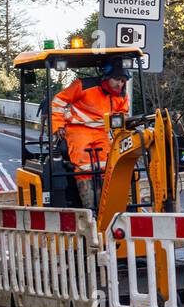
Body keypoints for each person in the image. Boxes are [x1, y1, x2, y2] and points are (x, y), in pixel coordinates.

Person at [51, 62, 130, 210]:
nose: (120, 84)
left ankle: (104, 211)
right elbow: (58, 102)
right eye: (117, 79)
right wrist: (58, 125)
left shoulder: (122, 95)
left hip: (102, 132)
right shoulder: (83, 86)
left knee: (106, 168)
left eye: (123, 81)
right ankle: (89, 209)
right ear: (106, 77)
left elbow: (123, 113)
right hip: (78, 130)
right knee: (84, 168)